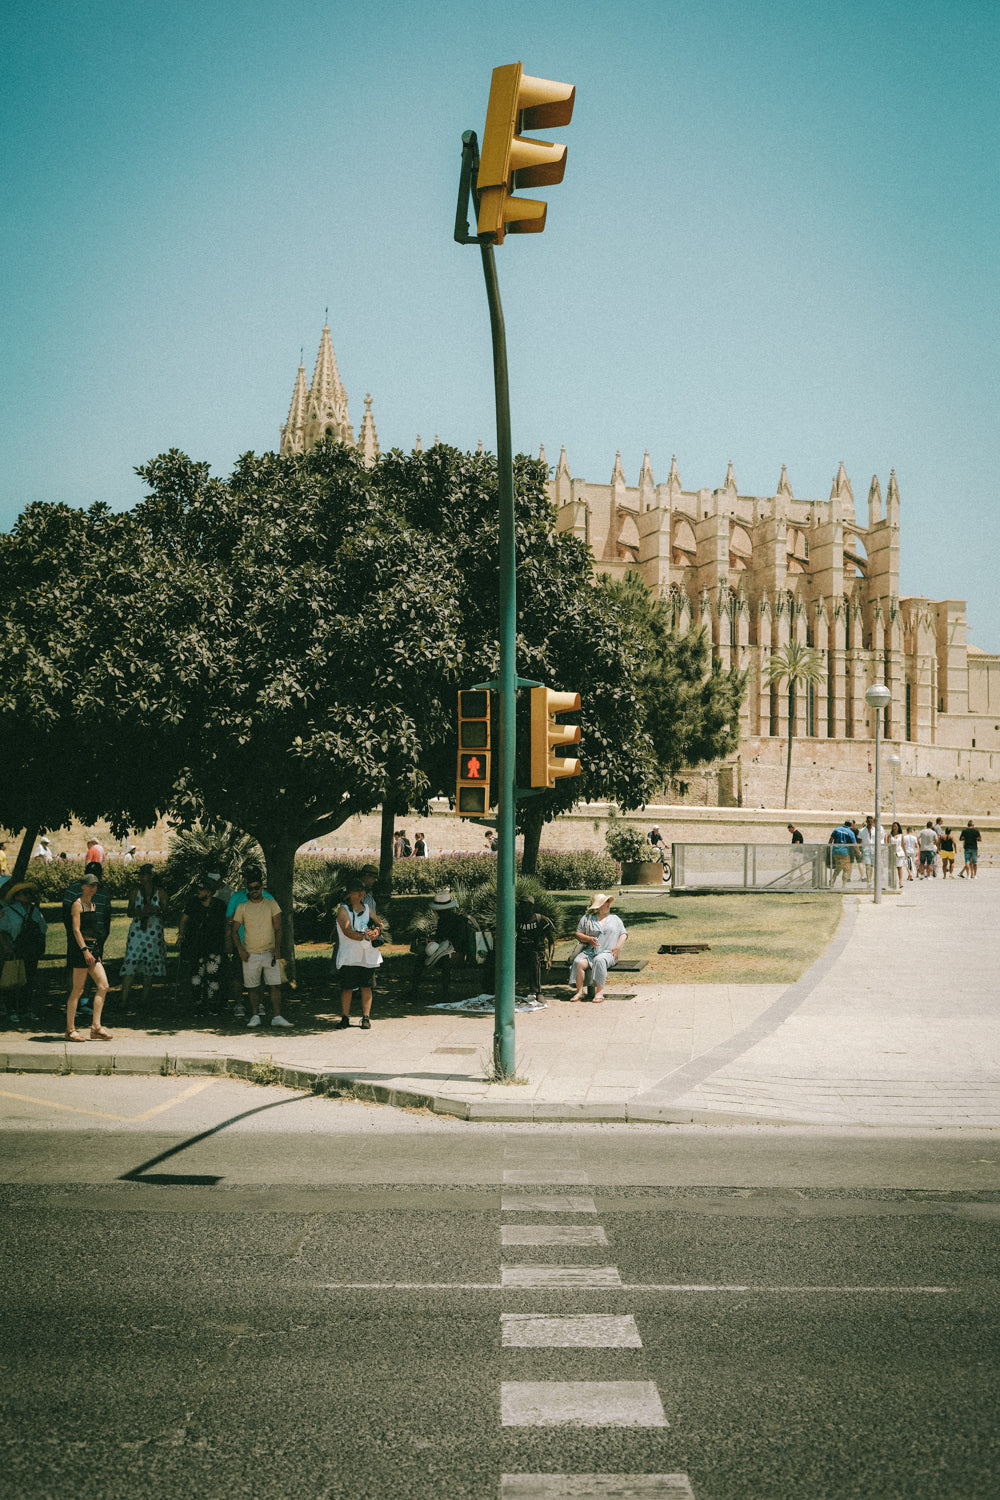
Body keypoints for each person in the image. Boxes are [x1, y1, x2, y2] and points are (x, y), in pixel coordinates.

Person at [230, 875, 290, 1028]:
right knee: (252, 986)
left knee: (275, 985)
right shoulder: (242, 907)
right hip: (250, 953)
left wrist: (277, 949)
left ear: (262, 888)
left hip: (270, 953)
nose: (254, 891)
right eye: (251, 889)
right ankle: (255, 1015)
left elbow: (278, 928)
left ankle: (277, 1016)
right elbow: (234, 931)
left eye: (257, 888)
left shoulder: (271, 904)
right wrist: (240, 950)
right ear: (247, 891)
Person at [65, 873, 112, 1042]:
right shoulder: (77, 905)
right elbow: (76, 930)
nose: (93, 888)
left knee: (104, 985)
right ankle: (70, 1029)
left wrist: (95, 950)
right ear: (83, 886)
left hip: (92, 949)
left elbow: (93, 930)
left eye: (96, 885)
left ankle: (96, 1027)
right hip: (81, 950)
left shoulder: (92, 904)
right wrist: (84, 950)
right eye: (90, 885)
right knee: (78, 990)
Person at [120, 863, 169, 1012]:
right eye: (140, 875)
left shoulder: (160, 893)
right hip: (137, 931)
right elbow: (129, 911)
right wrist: (140, 912)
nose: (142, 878)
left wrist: (157, 910)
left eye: (144, 875)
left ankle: (144, 1000)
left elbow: (167, 913)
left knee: (150, 963)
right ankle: (123, 1000)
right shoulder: (135, 892)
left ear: (152, 876)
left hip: (153, 932)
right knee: (131, 961)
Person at [333, 879, 382, 1029]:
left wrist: (376, 932)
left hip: (367, 955)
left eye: (362, 890)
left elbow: (380, 923)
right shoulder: (343, 910)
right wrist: (365, 936)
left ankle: (366, 1017)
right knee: (347, 987)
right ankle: (345, 1017)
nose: (361, 893)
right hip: (350, 956)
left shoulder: (367, 908)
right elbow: (347, 931)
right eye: (357, 890)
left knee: (367, 986)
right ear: (349, 893)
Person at [178, 876, 228, 1018]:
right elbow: (183, 920)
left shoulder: (220, 905)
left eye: (201, 889)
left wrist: (226, 942)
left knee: (214, 976)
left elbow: (225, 925)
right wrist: (181, 936)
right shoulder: (192, 903)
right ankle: (197, 1005)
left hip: (214, 946)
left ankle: (213, 1005)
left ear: (210, 892)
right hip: (196, 946)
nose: (198, 892)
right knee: (196, 977)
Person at [0, 880, 48, 1024]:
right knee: (12, 979)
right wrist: (6, 947)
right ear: (16, 896)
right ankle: (11, 1010)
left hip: (31, 950)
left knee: (29, 980)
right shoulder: (7, 912)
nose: (26, 896)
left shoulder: (35, 912)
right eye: (23, 893)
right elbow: (1, 931)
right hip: (14, 949)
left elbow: (43, 929)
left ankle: (25, 1009)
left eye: (28, 893)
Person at [567, 892, 627, 1004]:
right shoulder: (587, 918)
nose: (608, 904)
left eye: (608, 902)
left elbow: (623, 934)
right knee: (578, 962)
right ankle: (579, 992)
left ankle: (599, 992)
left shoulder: (615, 919)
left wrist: (617, 948)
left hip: (608, 953)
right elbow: (578, 933)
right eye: (605, 902)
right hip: (590, 952)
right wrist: (589, 939)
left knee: (599, 960)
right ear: (598, 906)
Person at [515, 898, 555, 1001]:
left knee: (533, 957)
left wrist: (549, 959)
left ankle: (537, 991)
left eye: (525, 905)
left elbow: (551, 941)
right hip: (521, 951)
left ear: (531, 907)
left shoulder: (540, 919)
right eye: (521, 905)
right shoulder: (516, 919)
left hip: (536, 951)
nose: (522, 908)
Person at [827, 819, 857, 887]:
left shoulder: (836, 829)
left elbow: (831, 840)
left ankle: (832, 880)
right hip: (844, 852)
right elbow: (855, 844)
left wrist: (828, 848)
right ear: (851, 825)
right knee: (846, 869)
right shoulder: (850, 832)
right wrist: (858, 853)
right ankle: (843, 885)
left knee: (838, 867)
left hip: (835, 851)